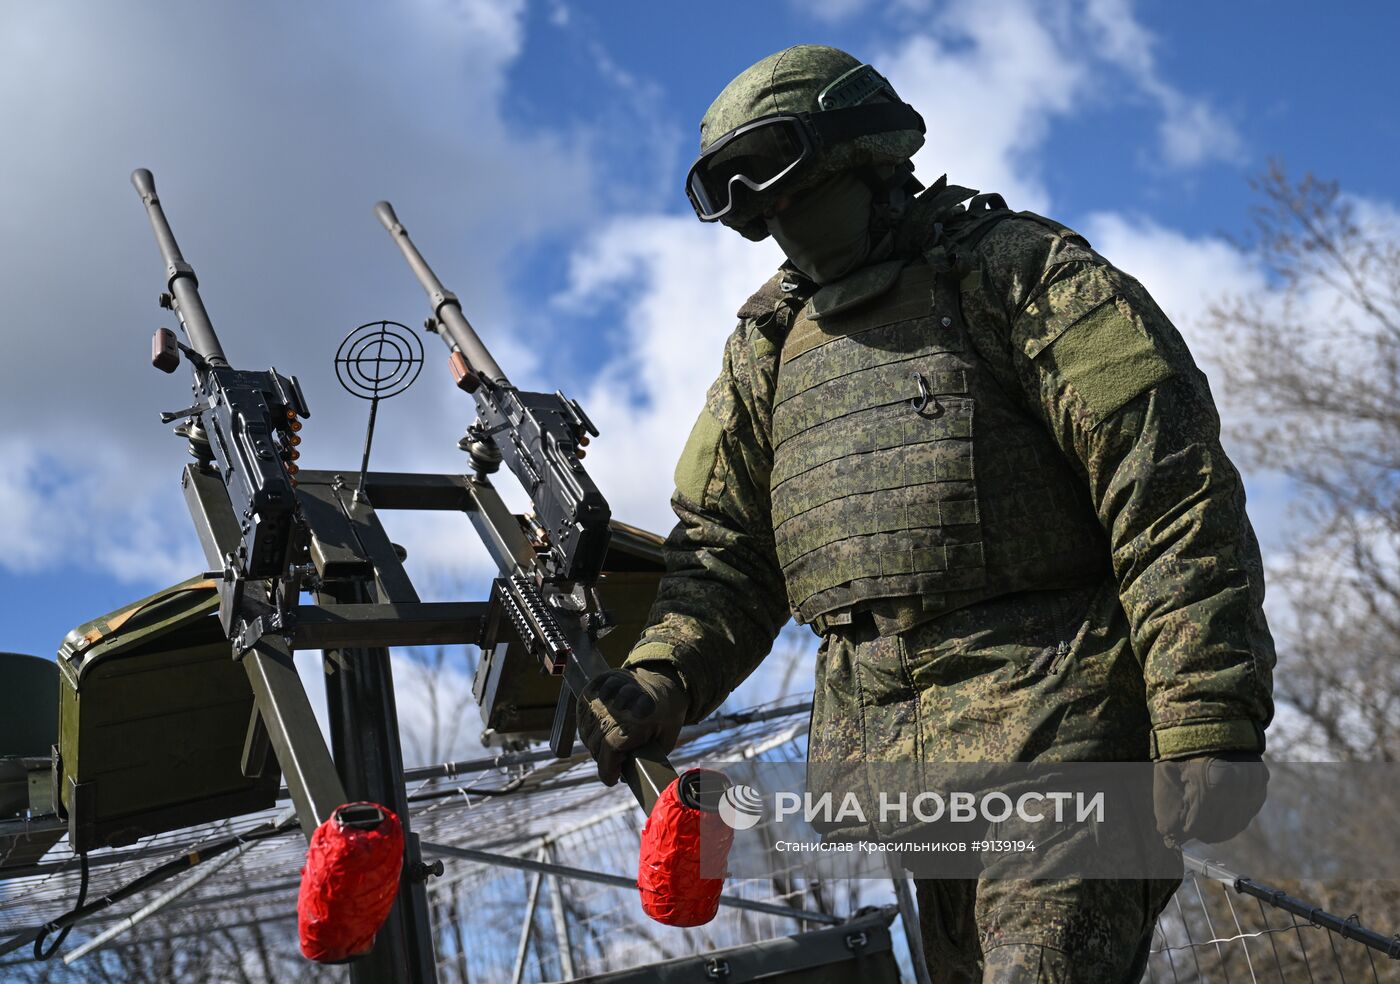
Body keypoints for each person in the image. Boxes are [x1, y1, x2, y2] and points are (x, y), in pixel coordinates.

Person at [577, 44, 1273, 982]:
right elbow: (728, 554)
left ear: (861, 156)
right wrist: (662, 677)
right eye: (748, 200)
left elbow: (1169, 494)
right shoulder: (770, 346)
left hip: (1065, 735)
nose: (774, 215)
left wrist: (1205, 716)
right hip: (904, 772)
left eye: (784, 183)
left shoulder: (1022, 275)